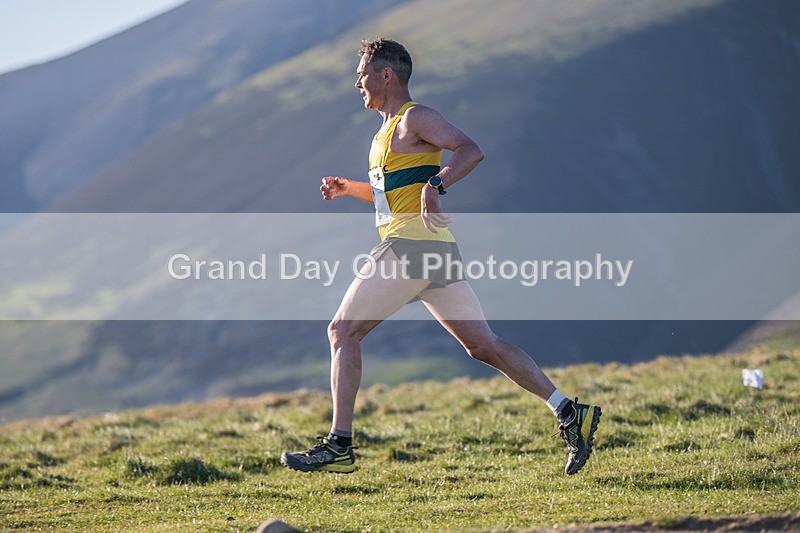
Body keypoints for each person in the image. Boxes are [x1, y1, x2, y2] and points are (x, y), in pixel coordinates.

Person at [280, 38, 601, 476]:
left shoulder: (416, 116)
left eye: (362, 73)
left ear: (386, 75)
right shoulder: (384, 132)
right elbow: (392, 194)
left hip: (412, 246)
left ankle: (339, 445)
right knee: (483, 347)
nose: (357, 81)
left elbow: (470, 149)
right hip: (432, 252)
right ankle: (568, 410)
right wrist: (350, 189)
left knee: (342, 331)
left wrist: (438, 185)